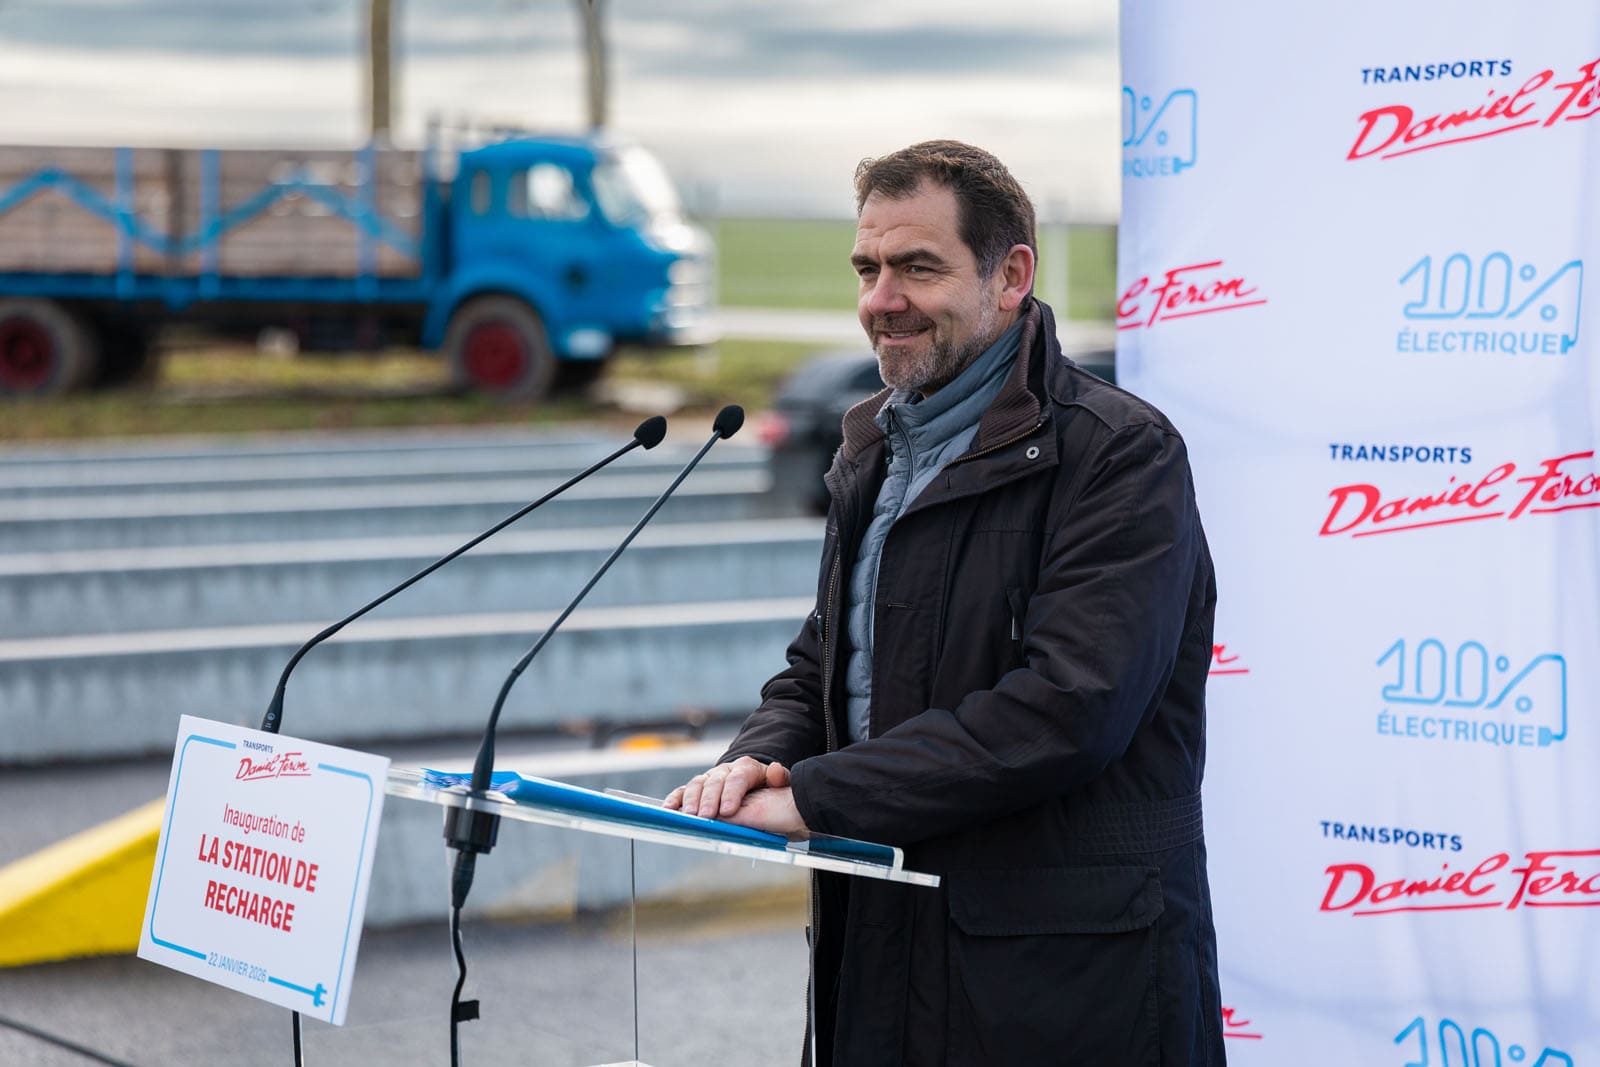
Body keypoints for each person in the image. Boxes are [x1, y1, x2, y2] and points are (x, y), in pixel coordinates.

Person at [665, 140, 1224, 1066]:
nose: (881, 299)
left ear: (1011, 276)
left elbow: (1071, 705)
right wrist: (760, 758)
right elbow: (826, 659)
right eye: (868, 268)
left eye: (917, 267)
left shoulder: (1120, 454)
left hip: (1065, 989)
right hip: (883, 950)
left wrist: (816, 796)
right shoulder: (874, 453)